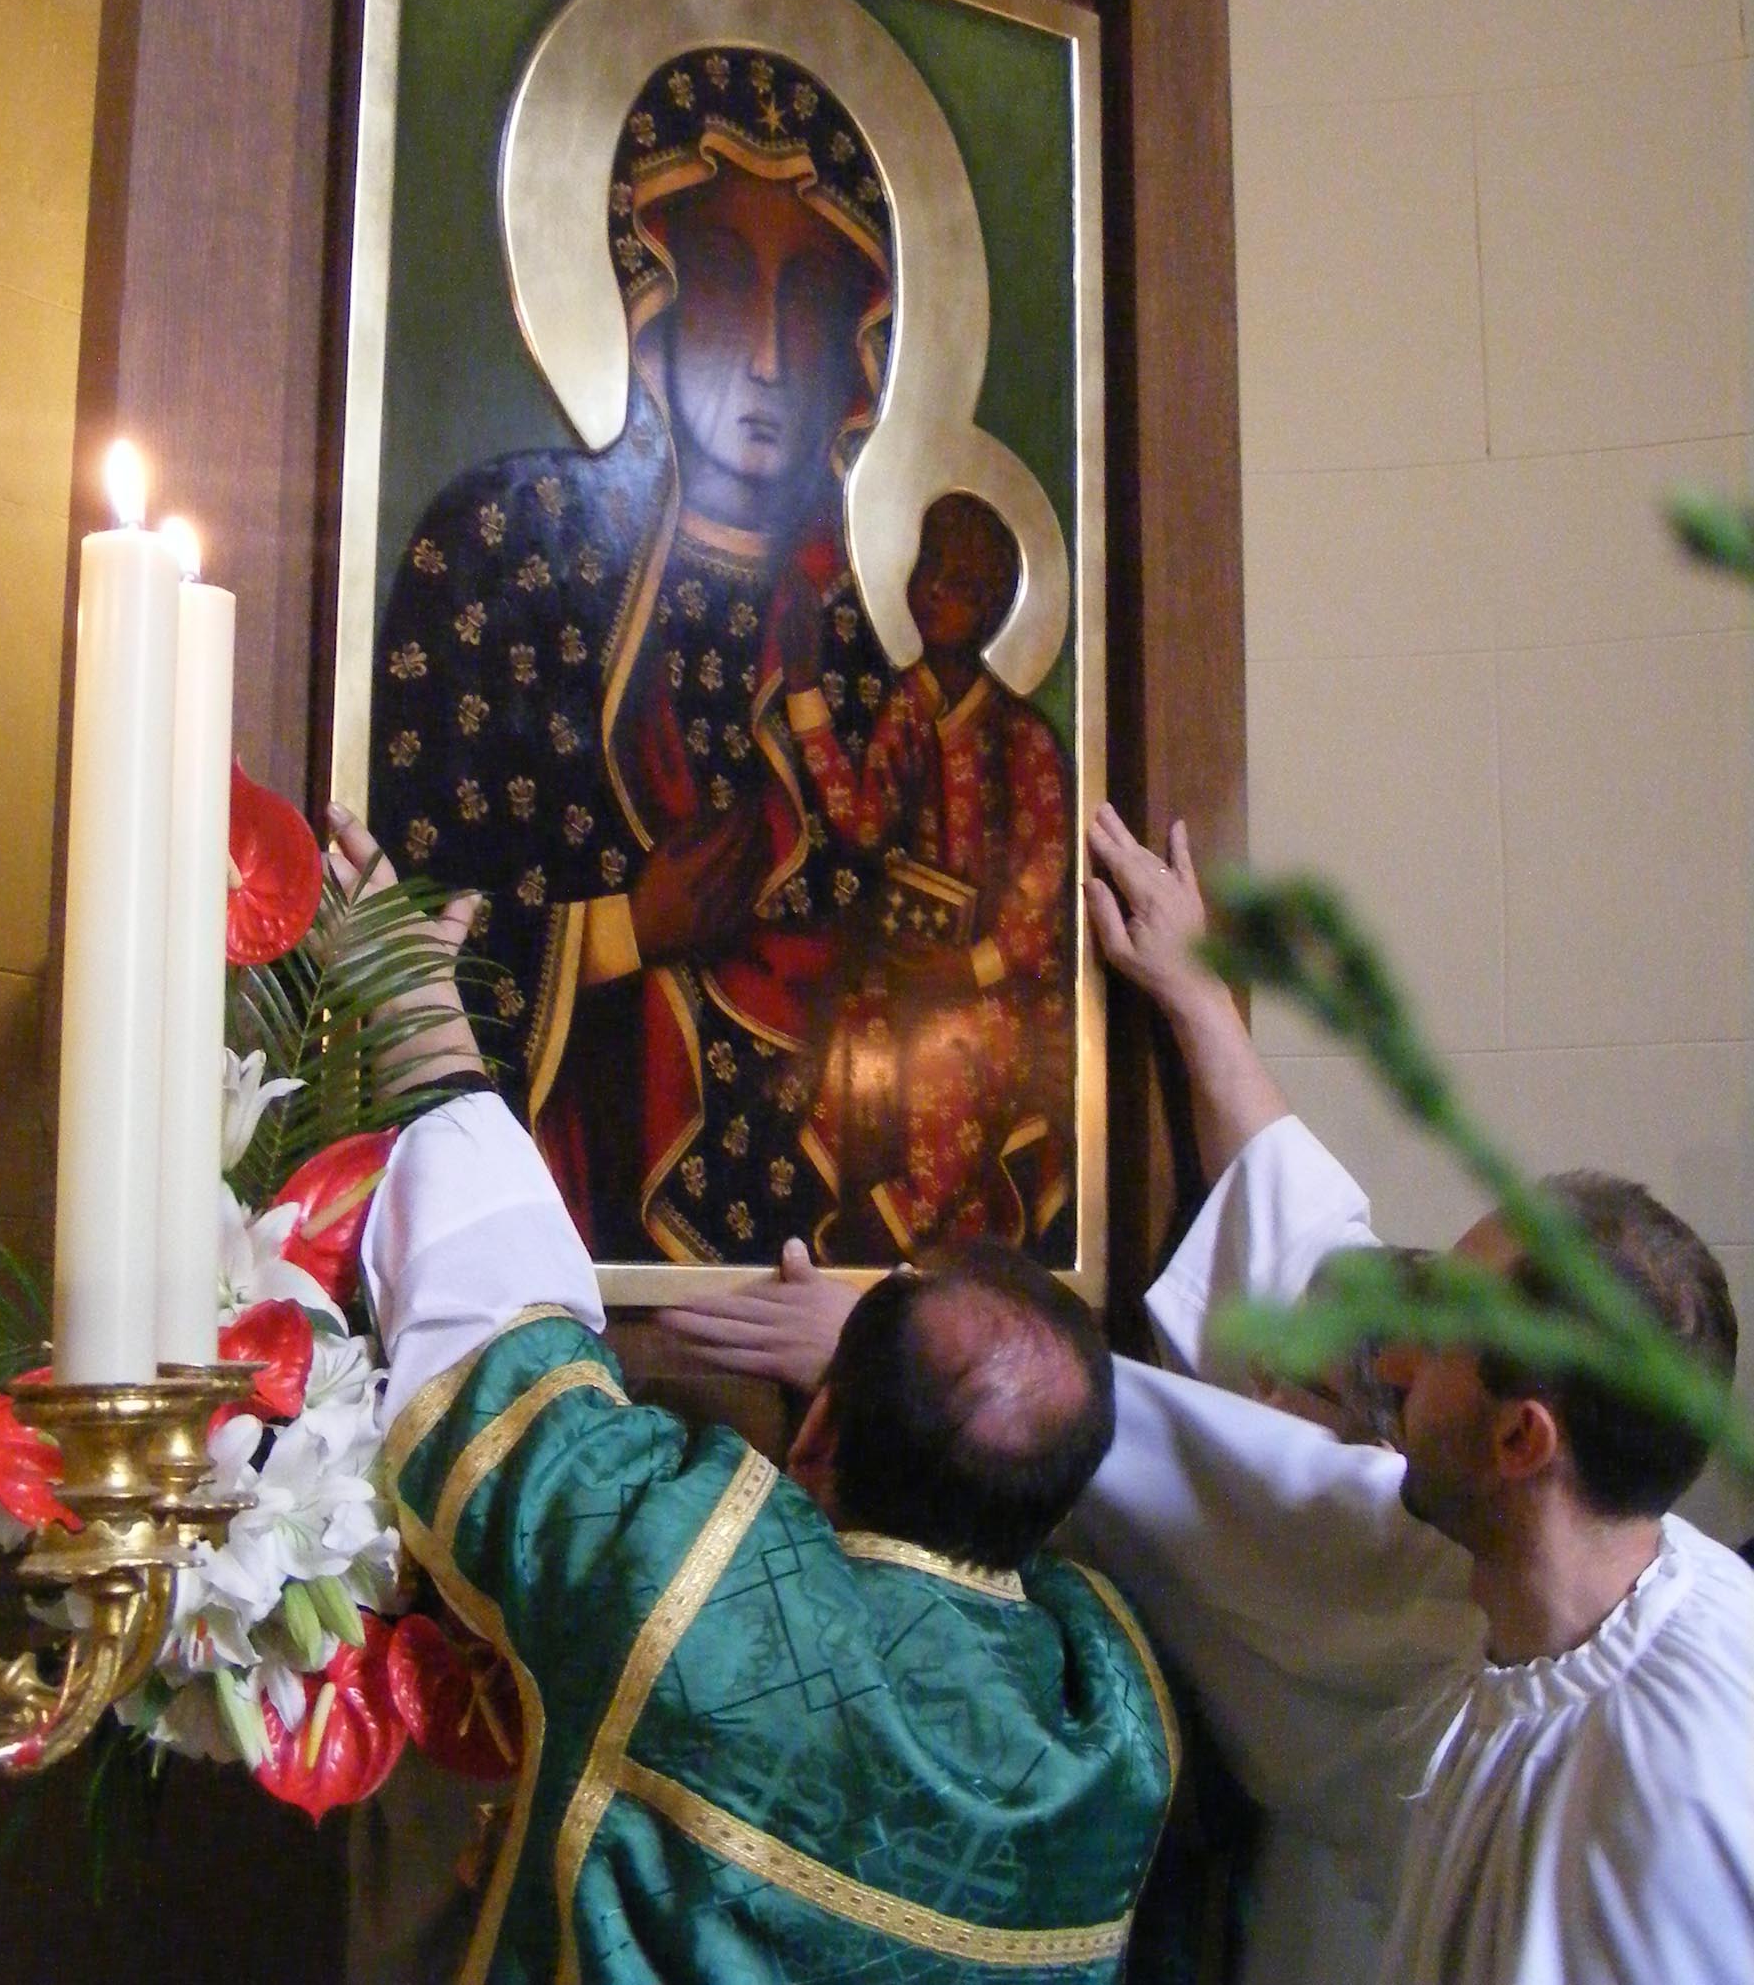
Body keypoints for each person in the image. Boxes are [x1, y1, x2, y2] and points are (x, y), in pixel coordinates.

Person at [663, 805, 1754, 1985]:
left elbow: (1221, 1479)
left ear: (1522, 1440)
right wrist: (1197, 1002)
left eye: (1439, 1340)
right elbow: (1312, 1288)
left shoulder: (1677, 1783)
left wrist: (927, 1365)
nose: (1392, 1362)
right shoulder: (1517, 1581)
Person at [338, 818, 1179, 1983]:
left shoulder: (705, 1613)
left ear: (818, 1429)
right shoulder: (1115, 1740)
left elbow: (503, 1374)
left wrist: (420, 1009)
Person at [369, 47, 899, 1266]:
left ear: (862, 345)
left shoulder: (861, 650)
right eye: (724, 278)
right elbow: (394, 931)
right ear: (645, 292)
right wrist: (620, 928)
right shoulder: (506, 554)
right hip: (548, 1233)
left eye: (811, 299)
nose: (768, 357)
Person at [780, 489, 1075, 1262]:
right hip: (913, 961)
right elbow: (862, 822)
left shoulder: (1022, 739)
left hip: (995, 984)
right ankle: (862, 1242)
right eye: (929, 570)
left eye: (963, 584)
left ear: (994, 610)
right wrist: (805, 692)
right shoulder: (906, 709)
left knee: (954, 1054)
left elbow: (1040, 888)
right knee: (852, 1039)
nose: (937, 592)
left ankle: (907, 1238)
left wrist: (968, 969)